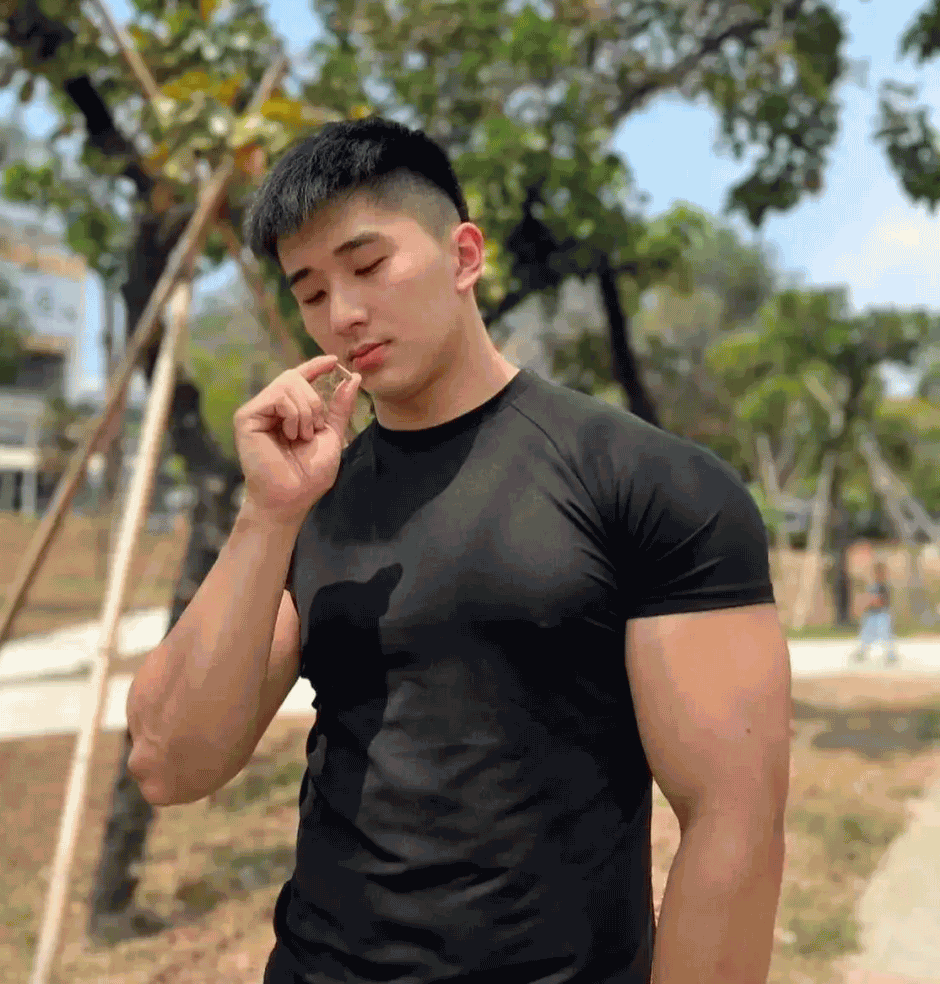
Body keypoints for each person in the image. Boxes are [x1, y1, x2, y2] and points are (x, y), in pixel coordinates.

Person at [125, 118, 792, 984]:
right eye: (311, 291)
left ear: (464, 257)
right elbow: (169, 763)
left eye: (368, 266)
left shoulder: (648, 482)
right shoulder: (309, 506)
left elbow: (733, 821)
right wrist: (266, 516)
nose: (343, 313)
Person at [850, 559, 899, 666]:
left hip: (882, 614)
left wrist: (872, 601)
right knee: (866, 635)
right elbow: (868, 600)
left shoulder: (884, 587)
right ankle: (861, 653)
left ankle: (891, 656)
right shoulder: (872, 586)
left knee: (885, 635)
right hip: (872, 615)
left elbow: (882, 602)